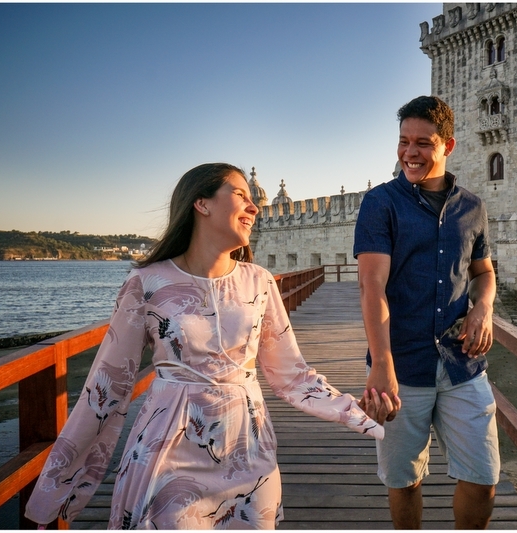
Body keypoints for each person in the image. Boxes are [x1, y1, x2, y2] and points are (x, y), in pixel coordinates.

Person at [25, 163, 384, 529]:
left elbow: (291, 374)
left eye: (252, 197)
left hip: (248, 448)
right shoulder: (146, 283)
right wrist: (58, 485)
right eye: (240, 195)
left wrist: (355, 410)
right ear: (201, 203)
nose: (254, 207)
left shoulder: (259, 282)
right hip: (169, 449)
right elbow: (107, 386)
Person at [354, 96, 500, 529]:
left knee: (484, 478)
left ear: (447, 145)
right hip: (400, 364)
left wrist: (484, 307)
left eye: (422, 142)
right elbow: (371, 286)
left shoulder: (472, 207)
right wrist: (381, 364)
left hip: (462, 363)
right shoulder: (380, 203)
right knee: (404, 481)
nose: (410, 153)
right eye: (403, 142)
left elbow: (483, 273)